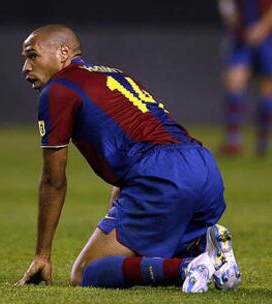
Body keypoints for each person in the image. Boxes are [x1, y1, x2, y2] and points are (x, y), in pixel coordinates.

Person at [15, 24, 241, 293]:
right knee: (143, 249)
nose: (26, 68)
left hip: (162, 173)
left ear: (63, 52)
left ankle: (188, 267)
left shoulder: (59, 89)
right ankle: (213, 253)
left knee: (86, 272)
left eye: (32, 56)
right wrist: (117, 216)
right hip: (203, 166)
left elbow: (53, 180)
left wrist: (42, 255)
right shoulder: (115, 75)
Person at [218, 0, 272, 156]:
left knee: (267, 87)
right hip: (242, 38)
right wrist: (234, 22)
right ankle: (233, 140)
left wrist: (262, 27)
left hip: (268, 38)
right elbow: (227, 6)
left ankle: (263, 141)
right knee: (234, 80)